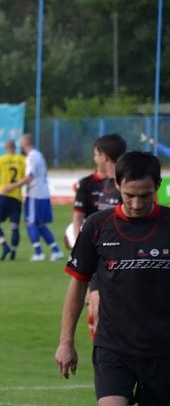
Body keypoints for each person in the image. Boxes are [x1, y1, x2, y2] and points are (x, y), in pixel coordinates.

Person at [55, 151, 170, 406]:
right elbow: (77, 284)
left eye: (145, 195)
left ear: (157, 186)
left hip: (163, 349)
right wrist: (66, 342)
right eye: (129, 194)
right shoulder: (97, 226)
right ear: (117, 184)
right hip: (113, 346)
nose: (137, 203)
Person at [72, 133, 126, 340]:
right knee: (95, 310)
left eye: (96, 154)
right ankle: (102, 353)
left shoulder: (124, 186)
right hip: (101, 259)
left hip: (122, 262)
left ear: (104, 156)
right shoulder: (107, 187)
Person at [0, 133, 64, 261]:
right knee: (39, 224)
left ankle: (38, 253)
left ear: (24, 144)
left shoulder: (32, 157)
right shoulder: (38, 154)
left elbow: (29, 177)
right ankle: (56, 250)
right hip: (42, 192)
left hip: (35, 194)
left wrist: (11, 187)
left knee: (31, 222)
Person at [0, 139, 27, 261]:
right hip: (16, 197)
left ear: (6, 147)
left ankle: (4, 245)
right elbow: (27, 177)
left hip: (3, 195)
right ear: (15, 147)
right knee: (14, 227)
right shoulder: (22, 160)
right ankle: (13, 252)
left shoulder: (0, 159)